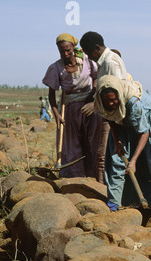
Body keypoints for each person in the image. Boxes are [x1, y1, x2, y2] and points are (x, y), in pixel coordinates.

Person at [94, 75, 151, 227]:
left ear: (119, 95)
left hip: (148, 121)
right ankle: (113, 208)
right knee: (117, 160)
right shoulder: (102, 102)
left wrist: (134, 160)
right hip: (123, 123)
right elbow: (111, 118)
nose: (110, 103)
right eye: (107, 101)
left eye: (113, 99)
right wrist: (117, 142)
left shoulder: (133, 102)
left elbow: (144, 132)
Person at [42, 33, 102, 178]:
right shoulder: (55, 68)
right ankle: (74, 177)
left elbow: (97, 77)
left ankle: (94, 176)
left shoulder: (87, 61)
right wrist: (56, 114)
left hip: (89, 107)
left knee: (92, 141)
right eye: (62, 51)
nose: (65, 53)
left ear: (73, 47)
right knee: (72, 145)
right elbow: (52, 95)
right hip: (70, 110)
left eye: (68, 50)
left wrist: (93, 97)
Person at [80, 31, 130, 184]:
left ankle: (103, 189)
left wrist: (95, 104)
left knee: (103, 155)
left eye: (88, 53)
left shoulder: (110, 62)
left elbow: (115, 92)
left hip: (113, 116)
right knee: (105, 153)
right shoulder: (105, 61)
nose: (88, 57)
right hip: (110, 115)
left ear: (96, 48)